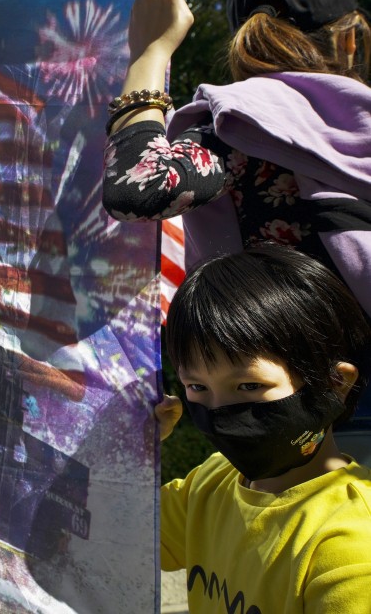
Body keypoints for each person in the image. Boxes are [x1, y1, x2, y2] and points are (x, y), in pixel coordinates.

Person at [103, 0, 371, 418]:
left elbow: (136, 188)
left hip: (286, 415)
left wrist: (150, 50)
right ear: (351, 40)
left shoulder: (242, 129)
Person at [155, 243, 371, 612]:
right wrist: (127, 448)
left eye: (249, 386)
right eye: (197, 387)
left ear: (336, 383)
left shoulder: (351, 545)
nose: (221, 410)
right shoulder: (207, 484)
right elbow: (99, 532)